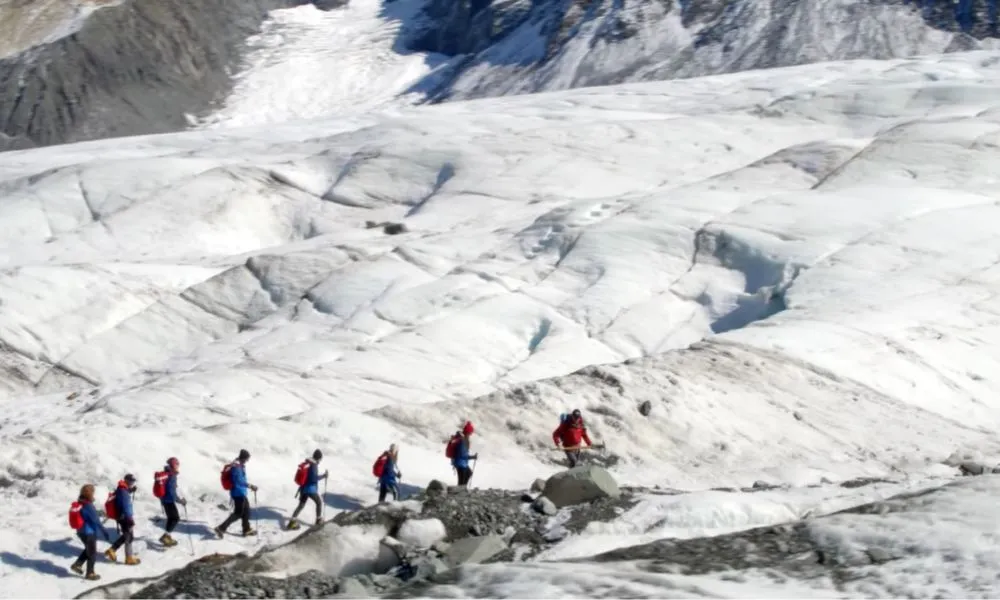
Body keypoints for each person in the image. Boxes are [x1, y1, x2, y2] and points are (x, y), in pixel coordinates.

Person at [70, 484, 111, 580]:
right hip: (89, 532)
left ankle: (77, 564)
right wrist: (104, 531)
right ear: (90, 493)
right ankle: (90, 573)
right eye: (93, 492)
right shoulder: (88, 505)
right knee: (92, 553)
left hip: (81, 531)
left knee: (89, 549)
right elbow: (95, 520)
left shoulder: (80, 502)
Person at [215, 449, 258, 538]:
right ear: (243, 458)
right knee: (238, 513)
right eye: (247, 459)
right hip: (238, 493)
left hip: (240, 492)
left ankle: (246, 529)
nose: (247, 461)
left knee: (246, 511)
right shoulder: (237, 466)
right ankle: (221, 528)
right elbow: (239, 481)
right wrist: (250, 486)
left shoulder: (238, 464)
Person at [287, 449, 328, 530]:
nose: (320, 460)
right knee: (319, 502)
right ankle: (318, 520)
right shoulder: (313, 465)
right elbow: (313, 479)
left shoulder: (308, 463)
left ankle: (292, 522)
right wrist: (324, 476)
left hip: (303, 488)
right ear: (318, 458)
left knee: (301, 505)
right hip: (310, 488)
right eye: (320, 458)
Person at [104, 474, 140, 565]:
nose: (132, 482)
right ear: (126, 480)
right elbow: (125, 506)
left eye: (133, 481)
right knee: (129, 537)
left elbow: (122, 497)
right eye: (131, 481)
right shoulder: (123, 491)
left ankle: (112, 550)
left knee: (126, 535)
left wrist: (130, 490)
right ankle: (129, 558)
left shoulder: (122, 488)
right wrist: (129, 518)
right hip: (125, 517)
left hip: (121, 517)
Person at [157, 457, 186, 547]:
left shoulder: (167, 474)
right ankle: (165, 536)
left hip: (164, 500)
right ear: (174, 465)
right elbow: (171, 492)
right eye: (177, 464)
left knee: (171, 518)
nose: (178, 466)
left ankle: (167, 536)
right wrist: (180, 501)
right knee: (175, 518)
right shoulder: (171, 475)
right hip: (169, 500)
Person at [450, 421, 478, 487]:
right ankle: (459, 492)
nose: (471, 434)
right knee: (462, 481)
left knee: (468, 473)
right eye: (470, 432)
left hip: (462, 463)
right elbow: (463, 455)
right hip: (460, 463)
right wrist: (473, 457)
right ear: (468, 432)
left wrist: (472, 457)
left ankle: (462, 490)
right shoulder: (463, 441)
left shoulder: (464, 440)